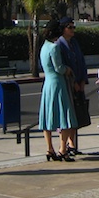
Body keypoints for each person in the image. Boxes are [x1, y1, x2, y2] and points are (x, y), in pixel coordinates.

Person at [38, 19, 77, 163]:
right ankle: (62, 149)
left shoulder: (44, 47)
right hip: (57, 83)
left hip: (47, 83)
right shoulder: (54, 48)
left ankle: (49, 148)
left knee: (47, 117)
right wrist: (68, 69)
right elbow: (58, 68)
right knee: (65, 117)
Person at [58, 17, 88, 154]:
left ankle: (72, 144)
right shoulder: (60, 44)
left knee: (77, 114)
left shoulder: (74, 43)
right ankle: (66, 145)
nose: (72, 30)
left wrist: (82, 81)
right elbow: (64, 65)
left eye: (73, 27)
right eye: (69, 27)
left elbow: (81, 61)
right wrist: (74, 82)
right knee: (68, 115)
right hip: (68, 84)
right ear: (63, 29)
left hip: (79, 82)